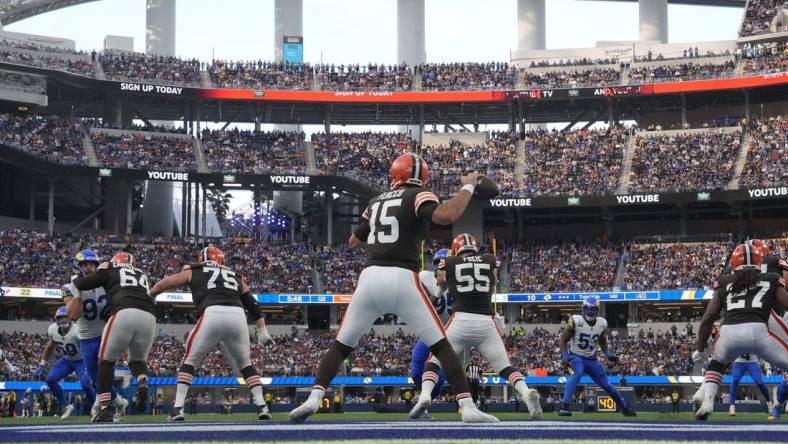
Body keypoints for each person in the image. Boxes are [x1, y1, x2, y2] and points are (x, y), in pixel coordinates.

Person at [289, 153, 498, 424]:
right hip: (402, 277)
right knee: (443, 347)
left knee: (341, 346)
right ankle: (468, 407)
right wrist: (468, 186)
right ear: (420, 176)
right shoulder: (418, 195)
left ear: (395, 175)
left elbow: (354, 240)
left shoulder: (376, 201)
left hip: (370, 277)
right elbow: (448, 215)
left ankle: (314, 398)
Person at [411, 233, 541, 419]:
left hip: (460, 320)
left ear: (455, 250)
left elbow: (441, 279)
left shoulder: (450, 263)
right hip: (485, 322)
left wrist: (441, 289)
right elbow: (494, 279)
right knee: (505, 367)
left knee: (433, 363)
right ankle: (526, 392)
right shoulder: (489, 259)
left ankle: (424, 396)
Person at [149, 246, 274, 422]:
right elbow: (251, 303)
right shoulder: (235, 276)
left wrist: (152, 294)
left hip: (212, 313)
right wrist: (262, 330)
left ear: (202, 259)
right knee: (246, 364)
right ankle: (262, 406)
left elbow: (166, 283)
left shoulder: (194, 270)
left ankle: (177, 409)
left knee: (190, 360)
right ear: (221, 260)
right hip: (238, 316)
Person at [692, 243, 788, 420]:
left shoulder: (724, 282)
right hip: (760, 331)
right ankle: (777, 405)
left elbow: (708, 317)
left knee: (717, 363)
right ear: (760, 260)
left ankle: (708, 401)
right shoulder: (771, 278)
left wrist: (699, 348)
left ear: (734, 264)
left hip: (729, 332)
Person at [72, 252, 156, 423]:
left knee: (105, 362)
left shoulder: (109, 267)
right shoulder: (142, 274)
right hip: (149, 316)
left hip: (123, 313)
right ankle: (142, 380)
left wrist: (75, 279)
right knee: (137, 361)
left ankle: (105, 409)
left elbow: (84, 283)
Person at [61, 250, 128, 418]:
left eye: (91, 264)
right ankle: (118, 400)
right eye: (84, 264)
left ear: (97, 266)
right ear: (78, 267)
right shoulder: (68, 288)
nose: (88, 268)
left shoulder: (105, 282)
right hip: (86, 336)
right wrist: (78, 291)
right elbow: (73, 315)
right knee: (94, 375)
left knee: (105, 371)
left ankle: (102, 406)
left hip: (107, 332)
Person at [558, 296, 636, 417]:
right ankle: (565, 406)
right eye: (588, 309)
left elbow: (602, 341)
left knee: (606, 385)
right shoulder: (575, 320)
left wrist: (607, 354)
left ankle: (624, 408)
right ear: (583, 308)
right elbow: (563, 339)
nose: (590, 311)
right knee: (577, 374)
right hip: (576, 356)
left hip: (591, 359)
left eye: (592, 309)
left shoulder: (602, 323)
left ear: (597, 309)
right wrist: (565, 355)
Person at [409, 247, 451, 415]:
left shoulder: (463, 281)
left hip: (455, 332)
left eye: (444, 264)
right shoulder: (425, 277)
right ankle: (425, 400)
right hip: (432, 329)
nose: (440, 268)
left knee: (454, 374)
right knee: (417, 370)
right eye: (437, 264)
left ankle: (470, 405)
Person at [35, 306, 95, 419]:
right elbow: (49, 346)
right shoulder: (52, 329)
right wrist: (42, 363)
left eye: (65, 317)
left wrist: (90, 362)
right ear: (56, 319)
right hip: (67, 360)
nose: (63, 319)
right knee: (50, 379)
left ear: (70, 318)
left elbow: (88, 347)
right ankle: (66, 406)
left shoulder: (77, 330)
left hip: (82, 360)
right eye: (60, 317)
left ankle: (95, 408)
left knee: (85, 383)